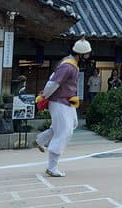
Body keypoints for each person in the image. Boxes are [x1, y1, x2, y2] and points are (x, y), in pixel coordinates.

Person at [35, 38, 91, 177]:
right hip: (59, 102)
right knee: (64, 132)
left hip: (67, 101)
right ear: (82, 55)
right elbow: (53, 82)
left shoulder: (70, 62)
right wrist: (45, 96)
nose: (89, 56)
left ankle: (41, 139)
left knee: (71, 125)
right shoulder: (68, 66)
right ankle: (52, 167)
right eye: (87, 54)